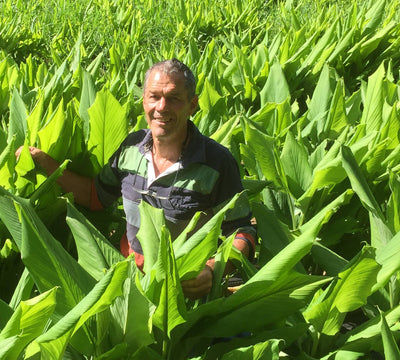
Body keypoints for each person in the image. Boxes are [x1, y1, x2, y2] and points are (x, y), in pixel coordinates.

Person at [16, 59, 256, 300]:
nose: (162, 107)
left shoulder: (216, 162)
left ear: (192, 105)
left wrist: (213, 270)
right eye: (154, 96)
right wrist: (45, 163)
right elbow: (95, 196)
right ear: (144, 101)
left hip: (183, 290)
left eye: (173, 98)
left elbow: (242, 232)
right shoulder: (131, 148)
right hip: (131, 286)